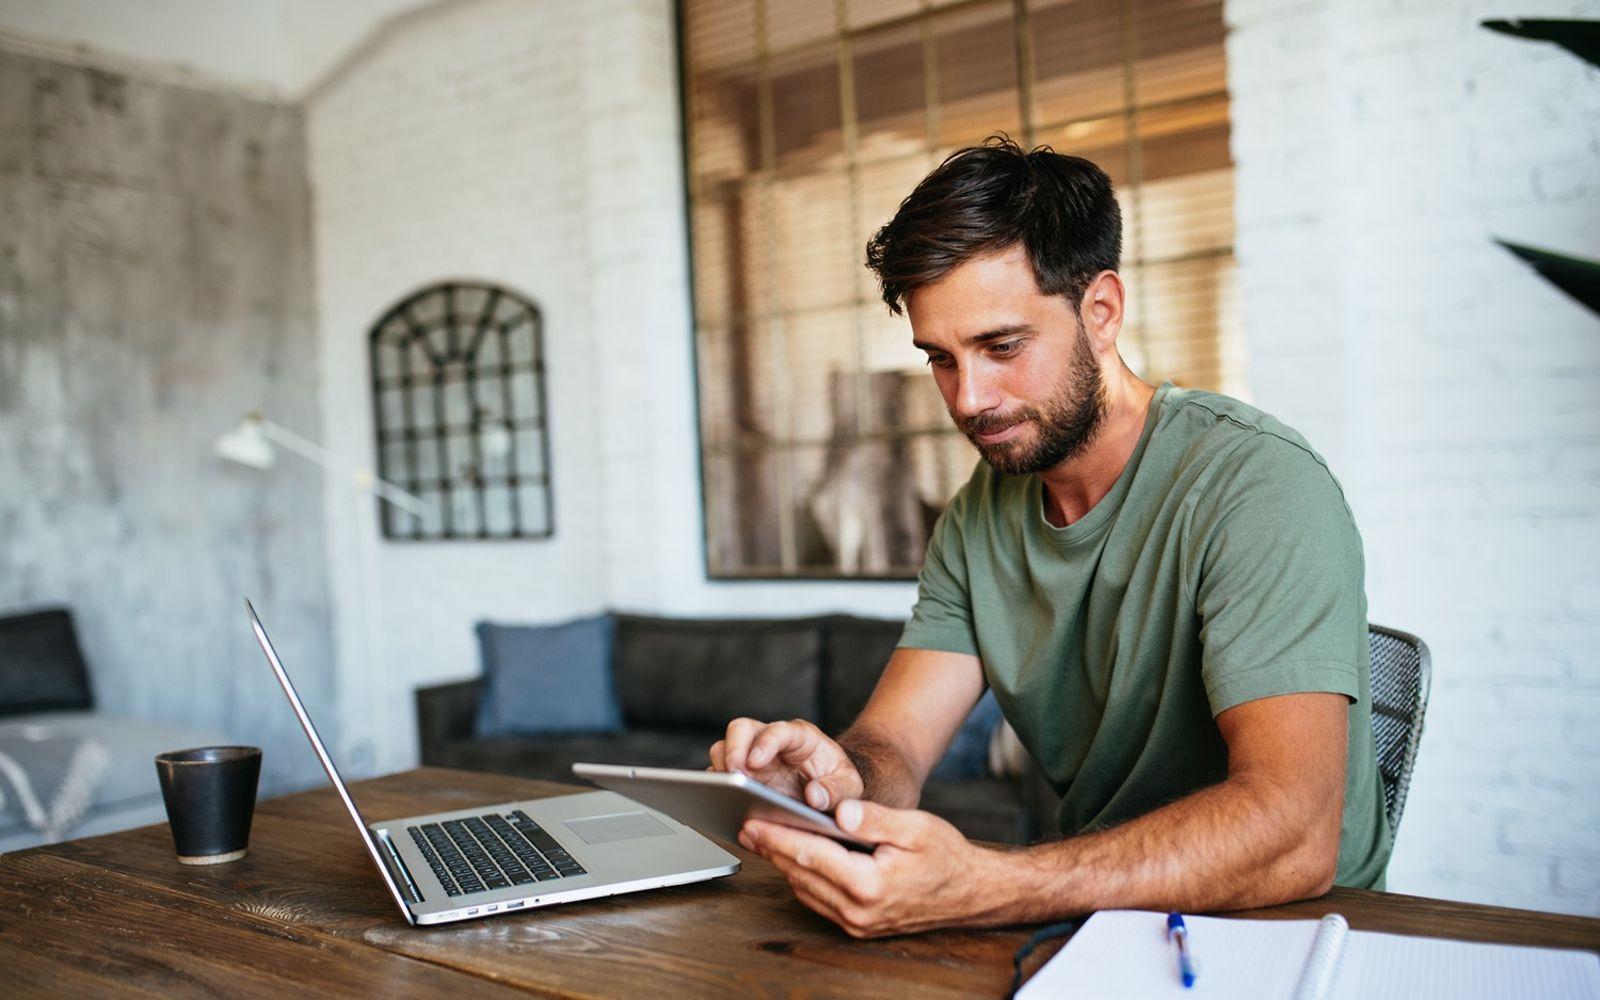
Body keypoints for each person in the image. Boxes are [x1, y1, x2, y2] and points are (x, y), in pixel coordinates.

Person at [708, 136, 1392, 938]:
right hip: (1100, 916)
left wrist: (990, 884)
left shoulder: (1258, 485)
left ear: (1100, 311)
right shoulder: (979, 514)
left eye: (1002, 347)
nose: (969, 399)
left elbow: (1295, 836)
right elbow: (895, 744)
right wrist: (830, 782)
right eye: (940, 359)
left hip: (1294, 930)